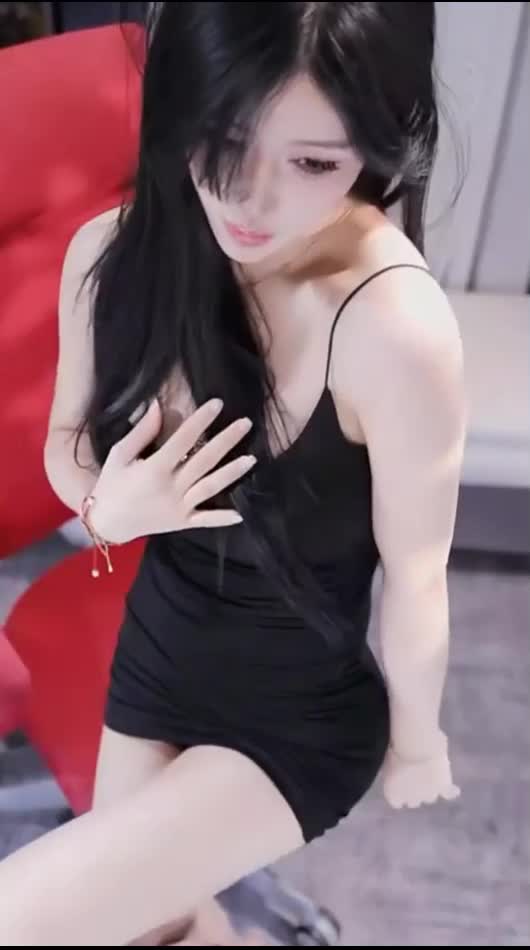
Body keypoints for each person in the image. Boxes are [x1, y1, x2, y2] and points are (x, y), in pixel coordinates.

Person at [0, 1, 466, 945]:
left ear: (377, 143)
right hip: (156, 659)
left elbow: (419, 577)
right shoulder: (114, 254)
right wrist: (107, 506)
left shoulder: (392, 328)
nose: (250, 201)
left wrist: (419, 741)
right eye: (224, 139)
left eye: (312, 163)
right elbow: (67, 445)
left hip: (295, 719)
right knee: (152, 927)